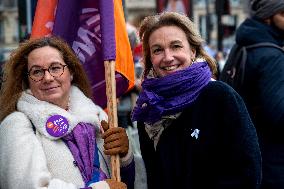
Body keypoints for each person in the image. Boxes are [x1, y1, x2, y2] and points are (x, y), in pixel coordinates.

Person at [131, 12, 262, 189]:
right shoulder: (149, 110)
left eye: (176, 46)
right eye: (158, 50)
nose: (168, 57)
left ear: (192, 50)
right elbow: (153, 178)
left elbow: (248, 174)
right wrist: (125, 158)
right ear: (150, 58)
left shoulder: (220, 96)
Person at [0, 36, 135, 189]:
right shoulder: (17, 124)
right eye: (37, 72)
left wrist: (125, 156)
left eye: (56, 68)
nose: (48, 77)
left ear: (71, 72)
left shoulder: (96, 116)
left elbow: (125, 183)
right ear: (26, 80)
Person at [231, 0, 284, 188]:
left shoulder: (241, 46)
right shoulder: (271, 55)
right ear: (268, 17)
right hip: (272, 163)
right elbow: (279, 115)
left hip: (243, 156)